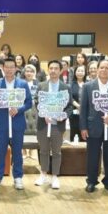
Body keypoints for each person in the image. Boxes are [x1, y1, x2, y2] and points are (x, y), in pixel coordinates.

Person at [80, 59, 108, 194]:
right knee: (92, 156)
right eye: (102, 68)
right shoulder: (88, 86)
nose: (104, 70)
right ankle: (91, 181)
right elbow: (83, 109)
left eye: (107, 68)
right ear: (97, 69)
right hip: (93, 127)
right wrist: (83, 128)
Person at [0, 57, 33, 190]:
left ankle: (18, 177)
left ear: (16, 68)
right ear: (3, 68)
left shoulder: (22, 84)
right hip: (2, 125)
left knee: (17, 152)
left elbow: (29, 103)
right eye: (6, 67)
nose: (9, 69)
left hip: (17, 124)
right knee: (1, 151)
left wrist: (18, 109)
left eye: (11, 67)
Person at [34, 60, 73, 189]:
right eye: (51, 68)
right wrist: (43, 114)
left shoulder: (65, 87)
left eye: (56, 68)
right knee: (43, 150)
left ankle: (55, 176)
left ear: (60, 71)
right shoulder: (41, 85)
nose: (53, 71)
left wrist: (64, 115)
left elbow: (70, 107)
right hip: (43, 124)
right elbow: (36, 102)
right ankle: (43, 174)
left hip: (58, 125)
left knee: (56, 152)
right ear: (48, 70)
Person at [22, 64, 39, 161]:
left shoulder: (38, 84)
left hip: (35, 110)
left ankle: (32, 150)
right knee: (23, 129)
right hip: (23, 108)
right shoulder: (20, 83)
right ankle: (24, 150)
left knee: (35, 129)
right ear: (24, 73)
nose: (29, 73)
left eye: (31, 71)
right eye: (27, 71)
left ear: (34, 73)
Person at [69, 65, 87, 142]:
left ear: (85, 73)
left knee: (84, 134)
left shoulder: (88, 84)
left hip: (86, 114)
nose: (80, 73)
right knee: (73, 134)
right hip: (74, 113)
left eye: (82, 71)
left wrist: (83, 107)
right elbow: (69, 97)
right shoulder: (71, 84)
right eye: (78, 71)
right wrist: (77, 105)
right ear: (75, 72)